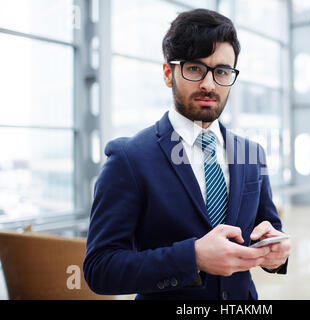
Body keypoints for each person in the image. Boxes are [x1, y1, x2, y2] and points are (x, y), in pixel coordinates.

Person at [83, 8, 291, 300]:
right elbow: (100, 269)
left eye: (221, 71)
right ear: (169, 74)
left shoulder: (251, 153)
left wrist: (276, 254)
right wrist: (192, 257)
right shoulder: (129, 158)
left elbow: (267, 229)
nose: (209, 84)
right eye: (195, 68)